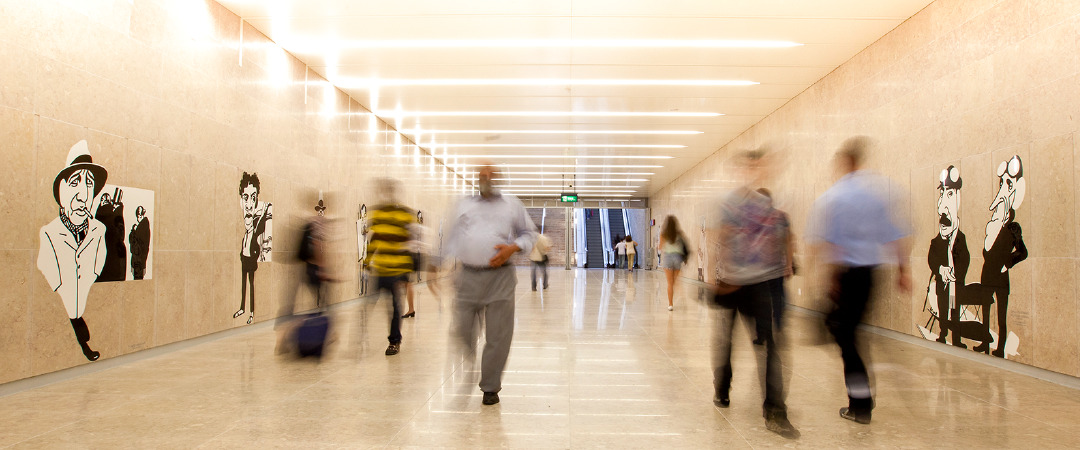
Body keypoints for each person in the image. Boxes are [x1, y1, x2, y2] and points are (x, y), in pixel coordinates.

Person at [806, 136, 911, 425]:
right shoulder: (877, 195)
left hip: (846, 274)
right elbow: (894, 235)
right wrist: (904, 271)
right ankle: (860, 400)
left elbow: (830, 243)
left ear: (846, 162)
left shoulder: (835, 196)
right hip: (870, 273)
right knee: (850, 334)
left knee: (846, 337)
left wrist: (829, 278)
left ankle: (860, 403)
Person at [712, 150, 799, 440]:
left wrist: (782, 268)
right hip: (733, 282)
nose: (754, 171)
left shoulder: (769, 207)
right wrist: (719, 276)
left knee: (769, 346)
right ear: (740, 169)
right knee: (726, 340)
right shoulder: (728, 203)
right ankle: (722, 388)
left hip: (761, 283)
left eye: (758, 165)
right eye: (749, 165)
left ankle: (775, 412)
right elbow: (721, 238)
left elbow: (779, 240)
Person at [444, 164, 537, 406]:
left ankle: (490, 387)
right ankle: (471, 356)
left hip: (500, 277)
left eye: (491, 175)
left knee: (498, 335)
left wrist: (513, 248)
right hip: (468, 275)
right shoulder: (464, 203)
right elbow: (452, 235)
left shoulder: (512, 204)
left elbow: (529, 234)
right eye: (482, 175)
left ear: (499, 179)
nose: (486, 178)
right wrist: (438, 261)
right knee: (461, 328)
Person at [37, 141, 109, 361]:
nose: (82, 194)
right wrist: (62, 287)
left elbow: (99, 259)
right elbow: (46, 266)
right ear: (61, 190)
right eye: (75, 182)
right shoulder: (50, 232)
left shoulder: (98, 229)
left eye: (89, 184)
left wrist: (91, 275)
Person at [364, 178, 416, 356]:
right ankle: (359, 340)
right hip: (381, 268)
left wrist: (407, 269)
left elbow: (409, 242)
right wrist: (367, 261)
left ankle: (394, 342)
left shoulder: (405, 214)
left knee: (394, 308)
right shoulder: (378, 213)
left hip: (396, 270)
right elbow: (374, 239)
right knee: (369, 304)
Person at [753, 188, 794, 345]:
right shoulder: (754, 219)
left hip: (773, 267)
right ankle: (765, 332)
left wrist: (789, 264)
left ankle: (773, 328)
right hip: (759, 268)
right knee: (764, 301)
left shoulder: (781, 217)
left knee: (776, 299)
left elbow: (788, 241)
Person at [236, 172, 272, 324]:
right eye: (246, 198)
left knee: (251, 285)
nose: (250, 204)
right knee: (244, 284)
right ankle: (242, 308)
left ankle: (251, 312)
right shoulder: (246, 232)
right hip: (245, 259)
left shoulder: (256, 226)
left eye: (253, 197)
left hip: (250, 260)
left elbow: (264, 220)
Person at [660, 216, 689, 311]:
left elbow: (660, 247)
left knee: (670, 283)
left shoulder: (663, 234)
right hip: (677, 258)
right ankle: (681, 295)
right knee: (675, 282)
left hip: (668, 257)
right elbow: (684, 245)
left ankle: (670, 304)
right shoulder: (679, 233)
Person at [129, 205, 151, 280]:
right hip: (138, 259)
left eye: (139, 216)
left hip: (139, 259)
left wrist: (134, 232)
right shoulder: (142, 226)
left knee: (138, 277)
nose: (138, 218)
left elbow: (136, 244)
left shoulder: (143, 226)